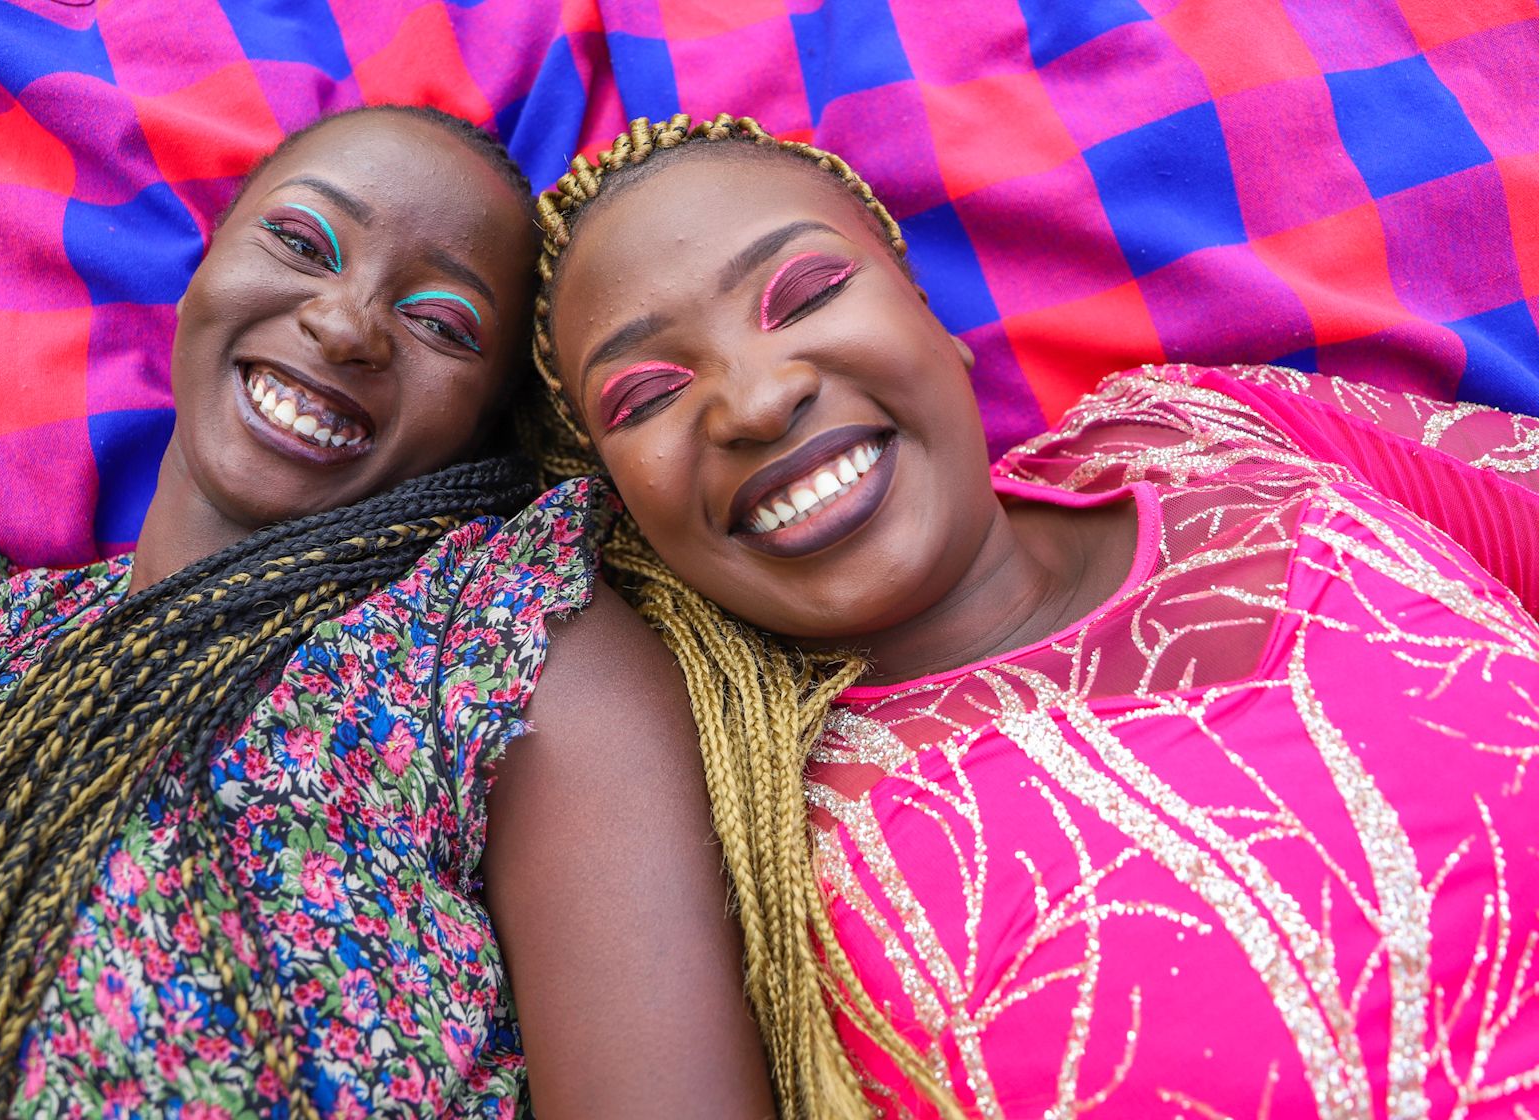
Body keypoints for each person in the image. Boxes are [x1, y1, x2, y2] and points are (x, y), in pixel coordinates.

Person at [523, 114, 1539, 1118]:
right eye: (647, 395)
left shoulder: (1209, 434)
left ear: (934, 321)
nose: (755, 400)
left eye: (809, 294)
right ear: (628, 512)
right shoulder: (729, 839)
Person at [0, 106, 773, 1120]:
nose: (345, 324)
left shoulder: (507, 639)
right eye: (300, 243)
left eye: (441, 323)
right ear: (206, 269)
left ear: (480, 423)